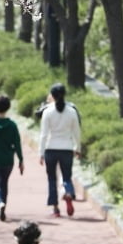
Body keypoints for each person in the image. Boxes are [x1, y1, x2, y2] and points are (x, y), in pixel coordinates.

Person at [38, 83, 81, 218]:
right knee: (67, 176)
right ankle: (68, 192)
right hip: (67, 148)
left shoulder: (47, 111)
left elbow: (43, 134)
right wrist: (78, 148)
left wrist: (41, 152)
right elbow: (77, 132)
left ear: (52, 96)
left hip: (51, 148)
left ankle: (55, 209)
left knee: (52, 178)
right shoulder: (72, 111)